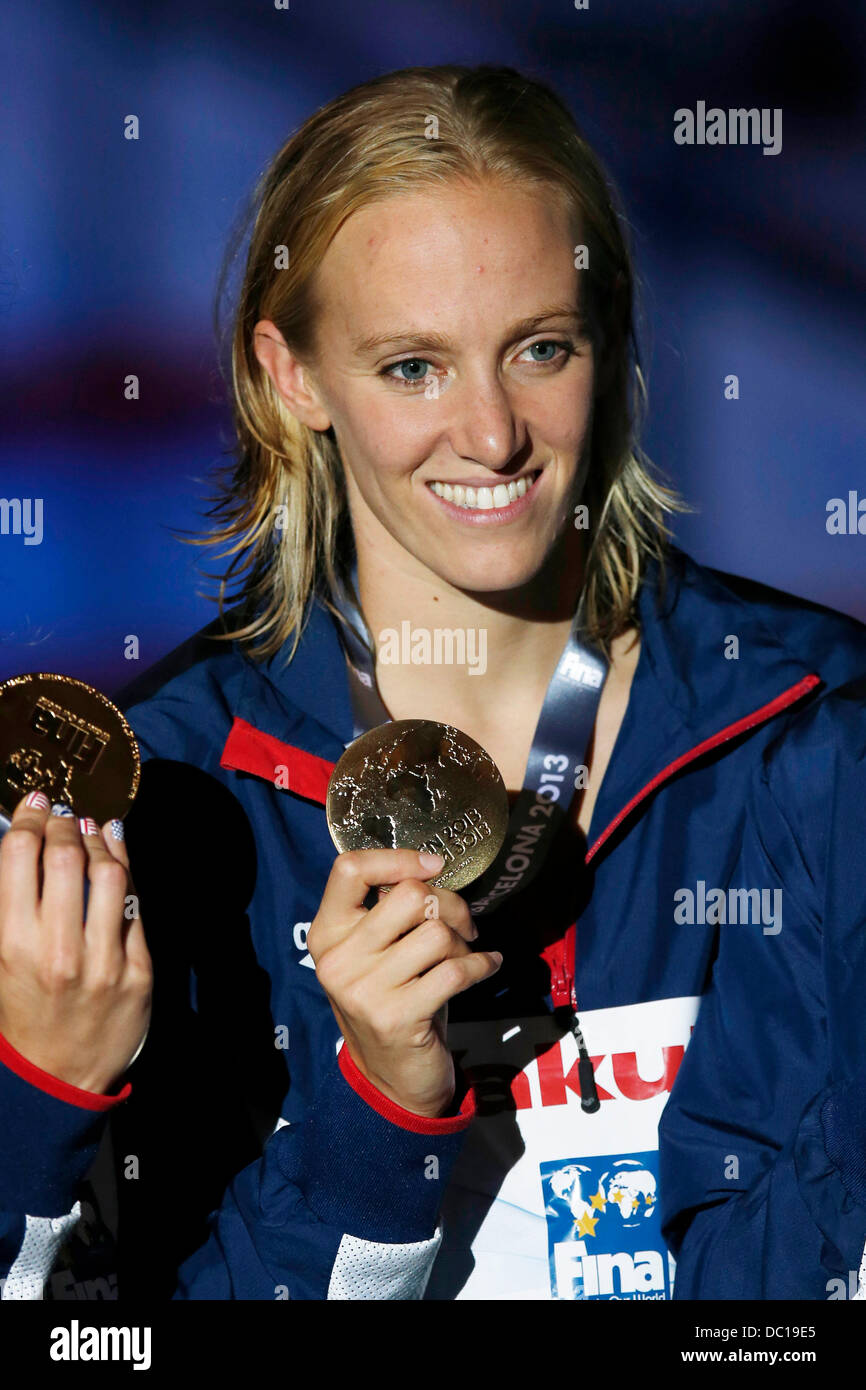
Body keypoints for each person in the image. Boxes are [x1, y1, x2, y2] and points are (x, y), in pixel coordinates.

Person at [0, 63, 864, 1302]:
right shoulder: (171, 805)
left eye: (538, 349)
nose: (493, 433)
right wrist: (364, 1123)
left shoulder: (813, 733)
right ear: (290, 377)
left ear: (609, 338)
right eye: (412, 366)